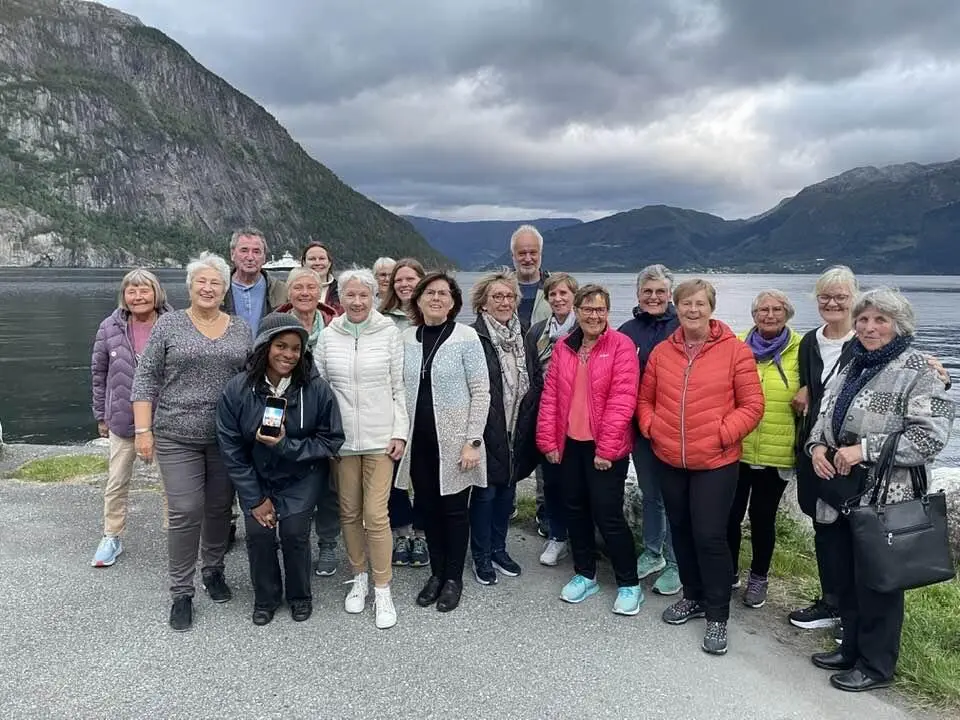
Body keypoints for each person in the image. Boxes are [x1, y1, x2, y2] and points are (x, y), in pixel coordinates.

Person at [806, 288, 954, 693]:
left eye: (880, 320)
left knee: (878, 583)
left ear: (898, 324)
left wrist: (863, 450)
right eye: (863, 319)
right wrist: (817, 446)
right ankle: (850, 647)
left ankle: (875, 665)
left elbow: (930, 439)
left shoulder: (922, 370)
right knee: (845, 577)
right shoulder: (851, 363)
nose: (869, 327)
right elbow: (825, 414)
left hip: (884, 497)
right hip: (840, 494)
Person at [637, 278, 764, 655]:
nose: (693, 310)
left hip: (716, 461)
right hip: (670, 458)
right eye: (686, 304)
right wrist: (652, 428)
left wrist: (723, 434)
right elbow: (645, 400)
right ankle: (692, 596)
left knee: (710, 536)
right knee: (681, 531)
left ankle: (718, 614)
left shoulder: (735, 352)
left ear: (711, 308)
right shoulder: (663, 352)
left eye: (700, 304)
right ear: (677, 308)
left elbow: (753, 406)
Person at [131, 252, 252, 632]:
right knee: (185, 508)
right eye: (201, 281)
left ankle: (213, 570)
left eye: (216, 282)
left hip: (226, 437)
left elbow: (250, 379)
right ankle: (181, 591)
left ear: (225, 288)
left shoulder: (239, 329)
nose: (208, 287)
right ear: (190, 287)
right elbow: (146, 377)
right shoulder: (169, 326)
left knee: (219, 507)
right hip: (175, 434)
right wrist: (143, 430)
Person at [216, 314, 344, 626]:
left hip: (302, 475)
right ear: (264, 347)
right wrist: (254, 498)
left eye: (296, 348)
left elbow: (331, 441)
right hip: (256, 476)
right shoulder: (237, 390)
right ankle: (266, 598)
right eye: (280, 346)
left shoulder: (316, 389)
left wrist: (287, 446)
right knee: (259, 534)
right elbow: (231, 448)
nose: (288, 354)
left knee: (294, 532)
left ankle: (300, 596)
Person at [536, 284, 643, 616]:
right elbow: (551, 397)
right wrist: (549, 442)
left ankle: (629, 583)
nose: (594, 315)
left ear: (608, 313)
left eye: (600, 309)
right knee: (575, 510)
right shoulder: (564, 348)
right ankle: (585, 574)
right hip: (570, 445)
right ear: (577, 312)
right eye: (587, 309)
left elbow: (622, 402)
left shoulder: (622, 346)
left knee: (608, 514)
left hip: (604, 449)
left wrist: (607, 449)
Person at [315, 269, 408, 629]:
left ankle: (383, 588)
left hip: (380, 438)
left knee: (376, 514)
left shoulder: (387, 333)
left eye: (363, 296)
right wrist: (325, 436)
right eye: (349, 295)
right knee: (349, 513)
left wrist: (400, 432)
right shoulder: (329, 336)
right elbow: (321, 390)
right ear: (340, 298)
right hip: (342, 442)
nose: (356, 302)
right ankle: (359, 577)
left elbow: (399, 387)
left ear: (373, 298)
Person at [395, 272, 490, 613]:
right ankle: (435, 574)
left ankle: (453, 578)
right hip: (418, 444)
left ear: (453, 302)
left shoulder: (466, 337)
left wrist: (473, 442)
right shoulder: (406, 338)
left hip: (455, 443)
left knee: (453, 512)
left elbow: (481, 391)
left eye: (444, 293)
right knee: (427, 509)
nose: (436, 298)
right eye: (430, 293)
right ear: (418, 300)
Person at [90, 269, 172, 567]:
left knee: (173, 484)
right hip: (122, 419)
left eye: (144, 290)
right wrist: (101, 414)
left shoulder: (174, 324)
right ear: (124, 296)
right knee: (116, 480)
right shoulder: (109, 328)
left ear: (156, 293)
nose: (138, 297)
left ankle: (176, 536)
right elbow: (99, 374)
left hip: (166, 420)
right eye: (131, 291)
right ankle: (111, 536)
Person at [727, 290, 802, 609]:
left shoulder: (802, 348)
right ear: (753, 314)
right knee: (729, 515)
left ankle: (759, 577)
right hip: (738, 446)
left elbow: (824, 379)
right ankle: (729, 573)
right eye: (762, 310)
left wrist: (809, 390)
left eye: (776, 309)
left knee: (762, 517)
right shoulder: (738, 345)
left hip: (777, 447)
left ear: (787, 313)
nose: (769, 315)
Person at [468, 270, 541, 585]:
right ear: (483, 303)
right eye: (497, 296)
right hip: (487, 429)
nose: (504, 302)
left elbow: (534, 381)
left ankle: (499, 549)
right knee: (485, 495)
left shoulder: (524, 336)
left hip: (516, 428)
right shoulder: (473, 337)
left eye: (510, 296)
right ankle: (481, 555)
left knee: (507, 494)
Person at [617, 264, 681, 596]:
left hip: (674, 427)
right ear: (638, 295)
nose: (654, 297)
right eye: (647, 291)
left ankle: (675, 562)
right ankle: (653, 551)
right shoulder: (627, 331)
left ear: (670, 294)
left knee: (674, 496)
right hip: (638, 426)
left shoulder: (683, 326)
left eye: (660, 291)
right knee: (651, 493)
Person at [524, 272, 579, 565]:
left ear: (574, 297)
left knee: (581, 481)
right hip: (547, 414)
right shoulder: (536, 332)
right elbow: (532, 375)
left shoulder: (586, 329)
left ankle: (582, 536)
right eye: (553, 295)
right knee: (552, 480)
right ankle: (557, 536)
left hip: (580, 417)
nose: (558, 299)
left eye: (564, 294)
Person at [379, 258, 430, 566]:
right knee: (394, 470)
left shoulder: (435, 314)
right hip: (391, 404)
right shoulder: (382, 318)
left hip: (426, 405)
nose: (405, 284)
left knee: (423, 472)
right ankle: (401, 532)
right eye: (399, 279)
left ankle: (422, 534)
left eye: (411, 278)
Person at [221, 227, 288, 340]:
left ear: (264, 257)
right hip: (229, 355)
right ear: (232, 254)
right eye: (244, 250)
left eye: (256, 252)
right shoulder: (218, 289)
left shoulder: (281, 290)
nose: (250, 257)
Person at [510, 224, 551, 332]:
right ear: (513, 256)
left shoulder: (555, 289)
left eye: (533, 253)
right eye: (522, 253)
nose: (528, 259)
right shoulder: (499, 291)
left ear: (540, 254)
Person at [283, 267, 325, 351]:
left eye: (311, 287)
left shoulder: (333, 325)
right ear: (288, 293)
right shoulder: (276, 328)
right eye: (298, 288)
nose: (305, 293)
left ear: (320, 293)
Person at [301, 241, 341, 309]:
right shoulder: (293, 290)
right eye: (312, 259)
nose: (317, 263)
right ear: (304, 263)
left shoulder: (341, 290)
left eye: (322, 258)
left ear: (329, 263)